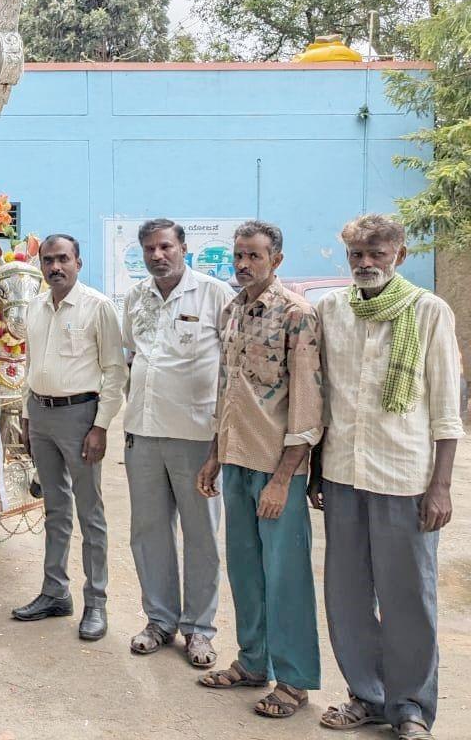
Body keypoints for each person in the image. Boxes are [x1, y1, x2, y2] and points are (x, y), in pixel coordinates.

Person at [312, 215, 461, 740]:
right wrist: (315, 471)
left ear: (400, 254)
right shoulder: (331, 309)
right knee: (347, 596)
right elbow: (323, 398)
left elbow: (446, 406)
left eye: (377, 253)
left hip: (405, 477)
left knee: (408, 598)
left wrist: (441, 485)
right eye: (357, 254)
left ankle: (411, 707)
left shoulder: (428, 310)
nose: (366, 263)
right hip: (343, 473)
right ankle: (367, 696)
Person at [196, 220, 322, 719]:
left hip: (276, 469)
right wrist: (214, 454)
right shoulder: (233, 310)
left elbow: (307, 408)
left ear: (277, 260)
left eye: (254, 256)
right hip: (236, 461)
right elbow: (226, 391)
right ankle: (253, 663)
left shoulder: (297, 315)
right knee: (246, 572)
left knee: (286, 577)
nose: (244, 264)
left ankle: (293, 681)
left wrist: (283, 479)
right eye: (239, 255)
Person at [121, 219, 231, 668]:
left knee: (201, 535)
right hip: (143, 432)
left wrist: (222, 439)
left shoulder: (214, 294)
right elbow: (131, 352)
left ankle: (199, 629)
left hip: (197, 436)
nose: (157, 255)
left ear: (184, 248)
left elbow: (232, 363)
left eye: (166, 246)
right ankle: (159, 621)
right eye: (149, 248)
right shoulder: (136, 297)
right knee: (148, 533)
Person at [13, 233, 126, 641]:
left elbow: (115, 371)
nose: (55, 267)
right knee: (55, 510)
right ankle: (55, 592)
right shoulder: (35, 306)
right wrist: (28, 417)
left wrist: (101, 426)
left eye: (63, 259)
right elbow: (30, 365)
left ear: (78, 262)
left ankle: (96, 602)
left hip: (81, 417)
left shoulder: (98, 307)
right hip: (41, 415)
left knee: (90, 513)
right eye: (48, 260)